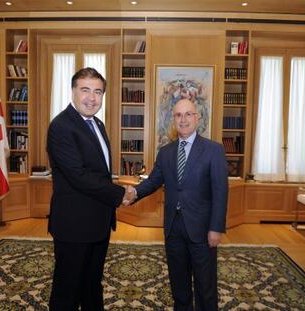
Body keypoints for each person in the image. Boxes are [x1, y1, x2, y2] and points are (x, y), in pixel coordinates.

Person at [125, 98, 228, 310]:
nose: (183, 119)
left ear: (197, 118)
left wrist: (216, 228)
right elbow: (154, 181)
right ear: (173, 119)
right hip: (173, 228)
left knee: (205, 285)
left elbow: (220, 192)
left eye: (188, 114)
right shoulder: (166, 152)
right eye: (178, 115)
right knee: (178, 284)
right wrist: (135, 192)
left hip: (202, 229)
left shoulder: (213, 150)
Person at [46, 67, 131, 310]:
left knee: (92, 283)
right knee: (67, 289)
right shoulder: (61, 126)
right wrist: (120, 194)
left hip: (98, 222)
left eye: (98, 92)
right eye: (85, 90)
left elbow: (99, 172)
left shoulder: (97, 124)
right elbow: (79, 176)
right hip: (74, 225)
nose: (92, 98)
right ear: (73, 91)